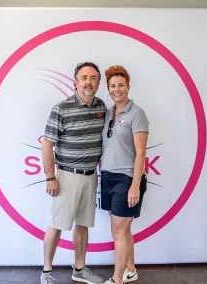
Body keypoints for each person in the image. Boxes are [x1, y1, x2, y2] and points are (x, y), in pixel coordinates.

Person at [40, 62, 107, 284]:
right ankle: (47, 272)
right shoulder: (61, 108)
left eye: (93, 77)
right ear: (75, 82)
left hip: (91, 176)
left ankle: (79, 269)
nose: (88, 81)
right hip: (67, 176)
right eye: (84, 77)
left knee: (83, 225)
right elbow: (47, 144)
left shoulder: (101, 107)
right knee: (57, 224)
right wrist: (50, 177)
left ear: (99, 83)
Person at [100, 65, 149, 284]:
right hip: (108, 176)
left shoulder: (137, 113)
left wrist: (135, 185)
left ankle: (116, 280)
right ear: (108, 89)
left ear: (128, 87)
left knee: (118, 231)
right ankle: (131, 269)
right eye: (113, 86)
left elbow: (140, 152)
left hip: (127, 179)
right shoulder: (110, 112)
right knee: (123, 229)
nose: (117, 89)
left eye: (121, 85)